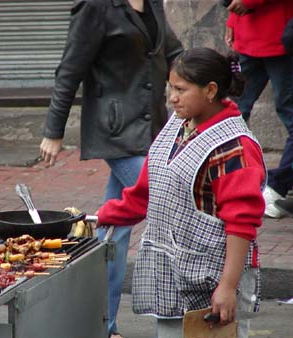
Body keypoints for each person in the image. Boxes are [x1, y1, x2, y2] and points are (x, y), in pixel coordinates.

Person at [97, 47, 266, 338]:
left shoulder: (234, 146)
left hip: (212, 281)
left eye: (180, 89)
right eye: (169, 87)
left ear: (210, 90)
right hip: (173, 276)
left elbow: (242, 224)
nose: (171, 97)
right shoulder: (178, 123)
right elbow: (146, 191)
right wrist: (99, 217)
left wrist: (227, 287)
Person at [39, 0, 183, 336]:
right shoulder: (96, 7)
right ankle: (179, 314)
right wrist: (53, 131)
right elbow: (69, 69)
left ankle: (101, 324)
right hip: (115, 130)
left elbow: (173, 52)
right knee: (164, 202)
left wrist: (203, 81)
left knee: (113, 232)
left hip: (150, 128)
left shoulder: (152, 4)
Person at [224, 0, 293, 218]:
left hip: (280, 36)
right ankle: (228, 180)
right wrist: (234, 19)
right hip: (252, 32)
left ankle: (275, 187)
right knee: (231, 111)